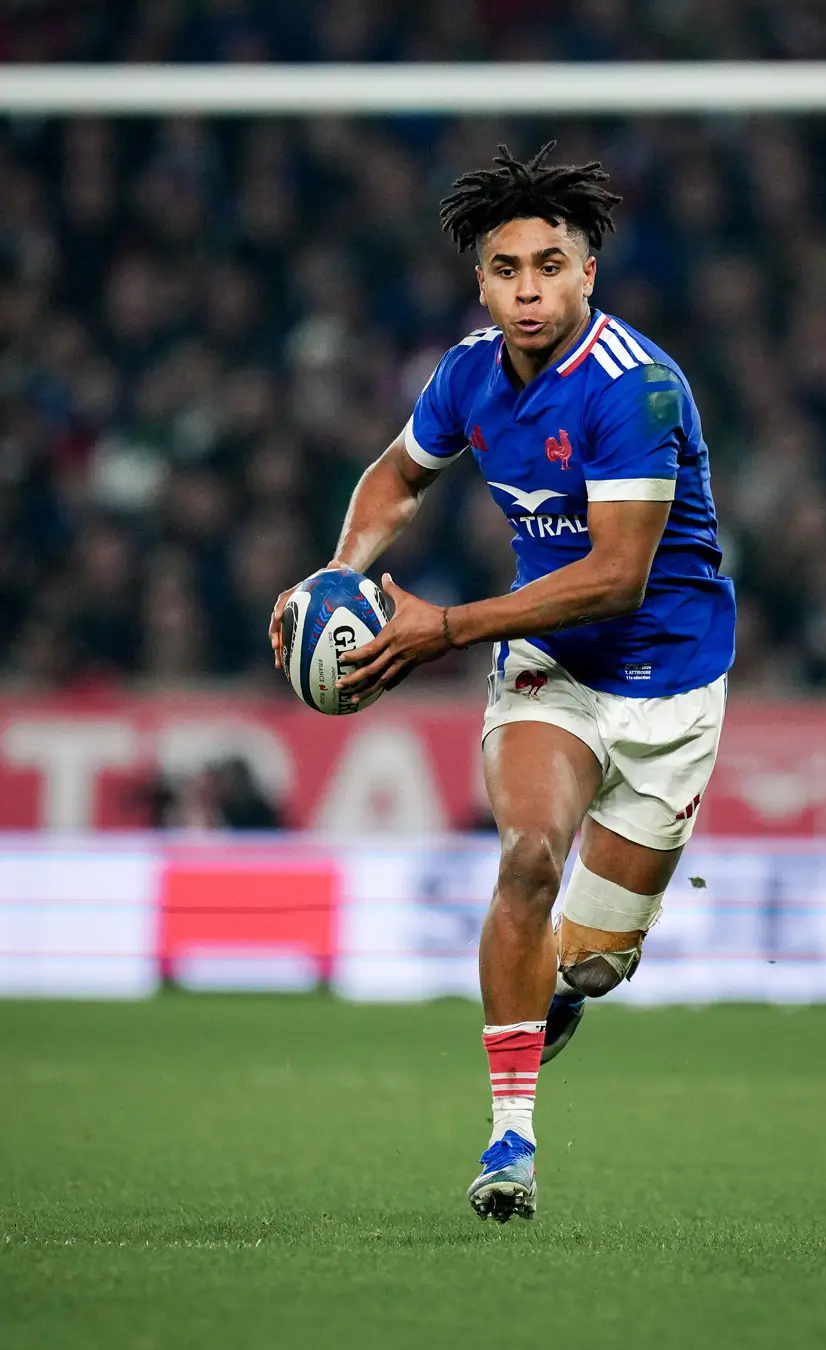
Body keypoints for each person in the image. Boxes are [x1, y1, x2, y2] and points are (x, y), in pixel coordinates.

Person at [268, 144, 736, 1223]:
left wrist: (442, 629)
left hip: (670, 685)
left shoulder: (636, 389)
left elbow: (616, 578)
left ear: (588, 274)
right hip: (551, 670)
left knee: (599, 962)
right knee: (528, 856)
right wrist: (340, 574)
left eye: (550, 267)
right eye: (507, 270)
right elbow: (398, 476)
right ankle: (510, 1139)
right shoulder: (468, 375)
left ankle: (561, 986)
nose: (529, 290)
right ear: (480, 283)